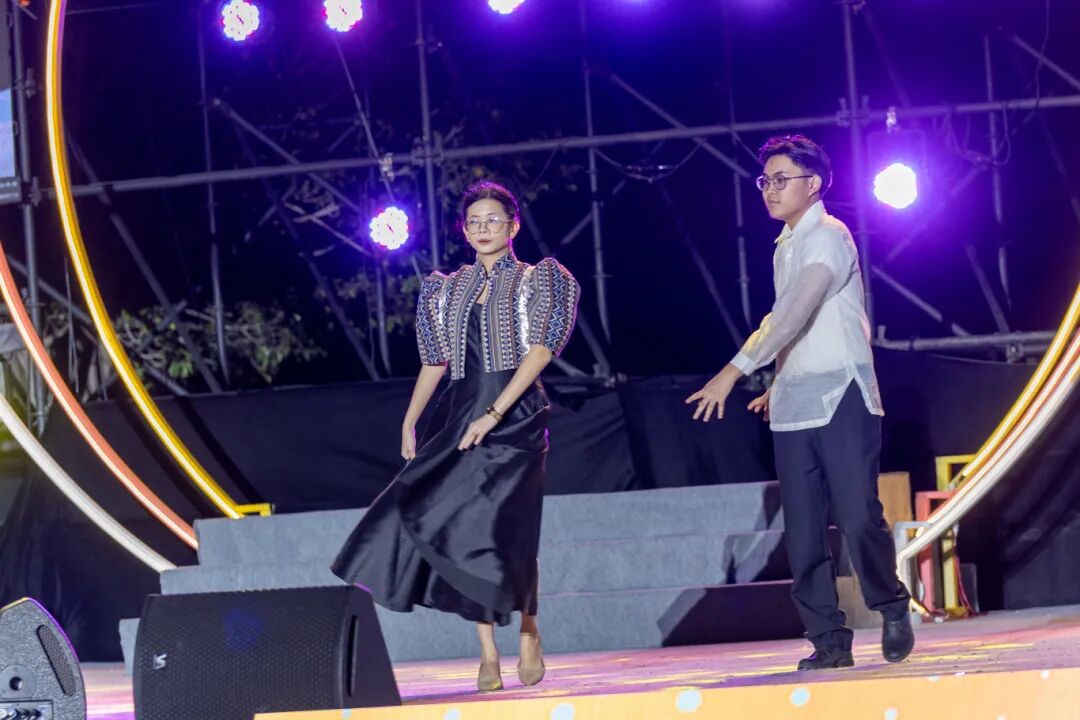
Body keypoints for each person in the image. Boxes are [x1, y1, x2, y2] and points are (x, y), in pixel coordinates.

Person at [331, 180, 580, 691]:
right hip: (461, 413)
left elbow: (540, 352)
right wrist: (410, 419)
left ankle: (528, 627)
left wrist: (495, 412)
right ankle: (487, 650)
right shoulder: (446, 288)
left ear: (513, 226)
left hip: (516, 414)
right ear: (464, 231)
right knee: (459, 526)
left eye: (493, 220)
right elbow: (435, 361)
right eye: (474, 222)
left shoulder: (540, 279)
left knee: (509, 528)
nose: (483, 229)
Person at [685, 135, 914, 670]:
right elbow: (789, 325)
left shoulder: (829, 236)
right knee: (804, 532)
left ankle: (891, 604)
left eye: (781, 179)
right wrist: (780, 381)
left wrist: (733, 373)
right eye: (765, 180)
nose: (769, 189)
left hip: (842, 394)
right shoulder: (785, 244)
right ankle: (828, 640)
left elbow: (794, 314)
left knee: (857, 516)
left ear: (813, 184)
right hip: (794, 403)